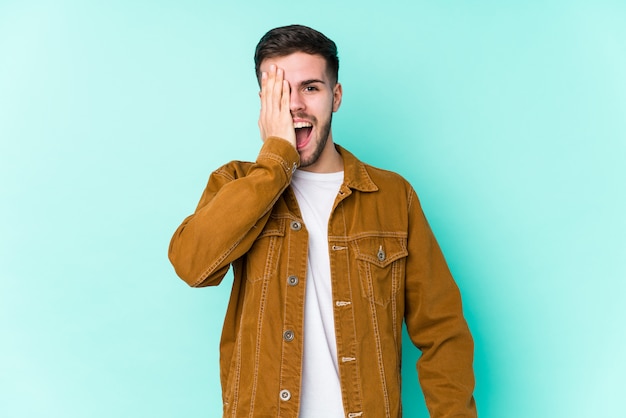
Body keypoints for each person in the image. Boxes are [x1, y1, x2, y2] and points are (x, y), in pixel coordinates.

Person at [169, 24, 477, 418]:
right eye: (280, 91)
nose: (295, 105)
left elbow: (443, 331)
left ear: (336, 96)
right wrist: (274, 163)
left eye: (310, 88)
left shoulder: (393, 197)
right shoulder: (236, 183)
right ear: (264, 102)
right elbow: (192, 265)